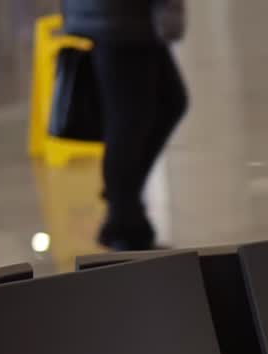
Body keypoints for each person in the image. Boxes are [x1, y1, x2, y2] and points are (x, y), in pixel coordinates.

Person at [62, 0, 187, 250]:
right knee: (128, 123)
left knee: (168, 102)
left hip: (121, 16)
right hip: (123, 18)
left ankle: (122, 203)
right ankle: (123, 223)